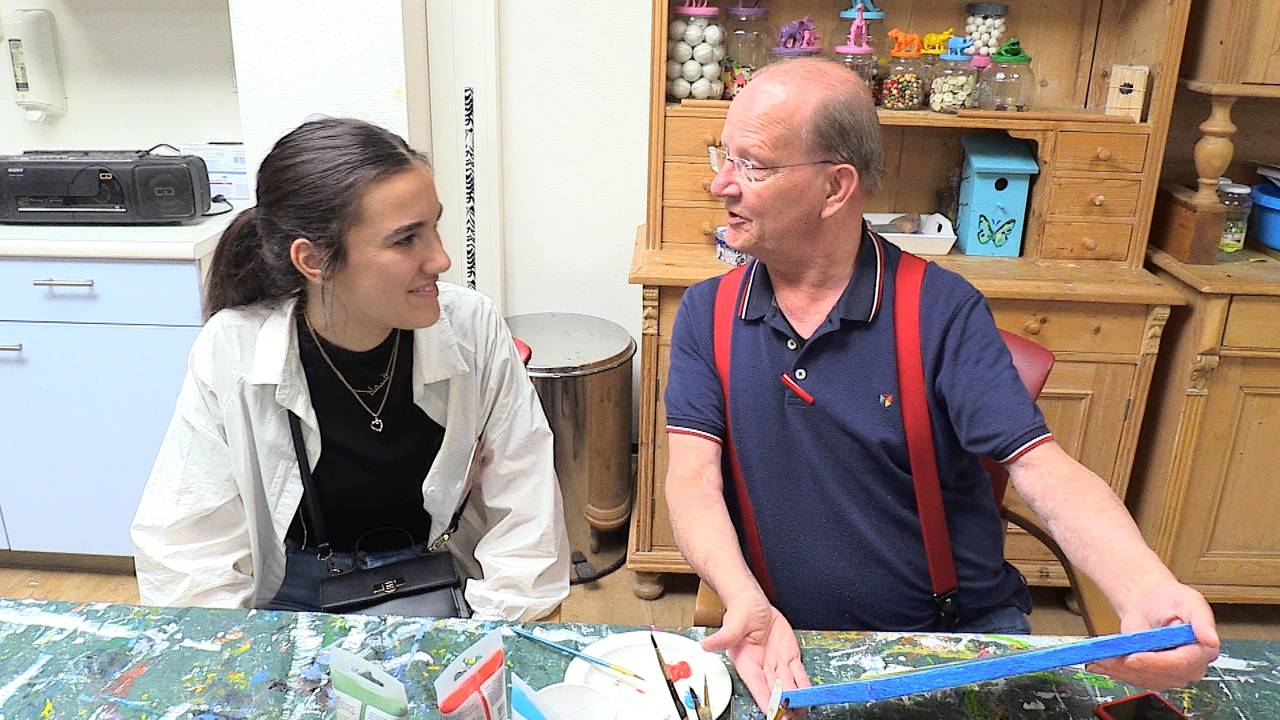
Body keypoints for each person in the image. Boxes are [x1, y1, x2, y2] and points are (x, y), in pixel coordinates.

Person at [662, 58, 1219, 711]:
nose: (718, 182)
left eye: (751, 164)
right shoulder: (709, 313)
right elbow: (691, 479)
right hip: (791, 639)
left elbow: (1043, 471)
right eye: (722, 155)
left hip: (949, 645)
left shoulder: (938, 311)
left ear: (836, 187)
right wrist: (742, 595)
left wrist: (1144, 585)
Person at [131, 118, 569, 621]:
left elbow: (526, 521)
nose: (441, 259)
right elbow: (188, 551)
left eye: (435, 227)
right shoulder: (233, 347)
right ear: (314, 260)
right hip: (289, 592)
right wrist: (238, 657)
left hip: (432, 576)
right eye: (406, 240)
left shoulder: (473, 327)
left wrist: (484, 644)